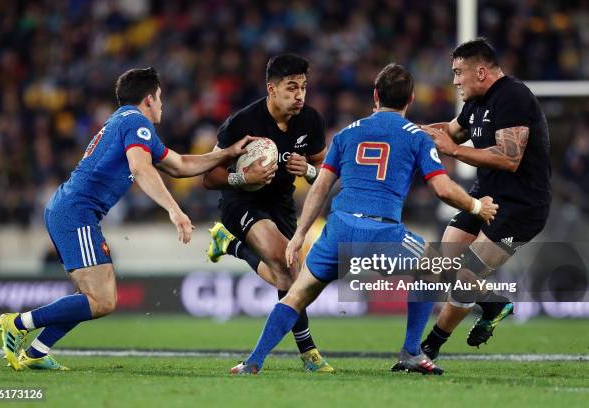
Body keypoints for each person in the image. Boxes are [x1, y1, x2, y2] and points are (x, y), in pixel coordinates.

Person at [229, 63, 498, 375]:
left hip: (339, 228)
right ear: (410, 99)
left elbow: (320, 186)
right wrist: (477, 207)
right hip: (383, 232)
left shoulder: (346, 134)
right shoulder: (418, 137)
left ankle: (253, 362)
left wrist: (301, 233)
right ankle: (413, 351)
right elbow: (442, 189)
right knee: (433, 267)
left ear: (375, 96)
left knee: (297, 295)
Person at [0, 67, 253, 371]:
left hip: (71, 210)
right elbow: (141, 168)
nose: (162, 105)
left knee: (91, 296)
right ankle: (17, 322)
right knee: (102, 299)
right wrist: (174, 209)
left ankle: (37, 353)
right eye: (160, 98)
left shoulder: (128, 124)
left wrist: (226, 154)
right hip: (75, 212)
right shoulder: (135, 122)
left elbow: (181, 164)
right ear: (148, 99)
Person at [419, 38, 552, 359]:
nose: (454, 81)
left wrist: (453, 151)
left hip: (521, 207)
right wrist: (402, 129)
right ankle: (494, 304)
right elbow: (449, 131)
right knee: (442, 264)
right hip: (485, 197)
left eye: (458, 73)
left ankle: (429, 349)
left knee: (466, 276)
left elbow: (510, 157)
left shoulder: (514, 96)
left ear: (480, 71)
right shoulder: (476, 103)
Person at [202, 54, 333, 372]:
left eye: (303, 87)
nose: (299, 95)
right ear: (271, 89)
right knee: (286, 263)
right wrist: (242, 178)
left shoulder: (311, 121)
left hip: (282, 204)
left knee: (288, 276)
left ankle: (229, 244)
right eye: (291, 88)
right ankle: (309, 353)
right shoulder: (243, 122)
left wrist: (310, 172)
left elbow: (324, 167)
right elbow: (209, 176)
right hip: (242, 202)